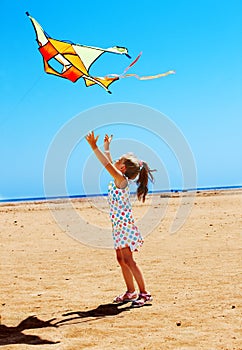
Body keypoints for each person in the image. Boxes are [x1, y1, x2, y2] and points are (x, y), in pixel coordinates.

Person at [85, 131, 155, 307]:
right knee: (121, 259)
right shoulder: (119, 177)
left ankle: (144, 293)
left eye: (119, 160)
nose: (116, 160)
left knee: (129, 260)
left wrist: (94, 147)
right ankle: (130, 292)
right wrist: (107, 147)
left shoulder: (120, 179)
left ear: (122, 168)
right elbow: (111, 162)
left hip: (125, 227)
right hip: (118, 226)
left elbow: (107, 164)